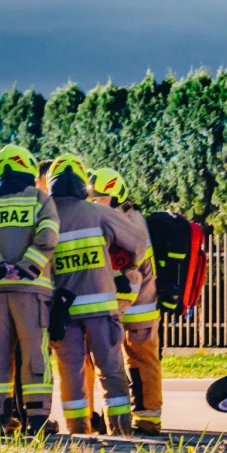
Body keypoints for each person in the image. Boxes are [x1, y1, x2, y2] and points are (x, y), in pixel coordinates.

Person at [45, 154, 147, 435]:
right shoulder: (98, 213)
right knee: (111, 370)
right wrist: (120, 262)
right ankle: (121, 430)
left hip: (62, 314)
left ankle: (78, 430)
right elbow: (137, 244)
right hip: (102, 309)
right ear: (82, 184)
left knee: (71, 374)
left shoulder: (45, 216)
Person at [0, 144, 60, 436]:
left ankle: (0, 420)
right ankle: (38, 420)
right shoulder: (39, 199)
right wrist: (26, 267)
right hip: (31, 291)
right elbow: (48, 235)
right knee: (34, 354)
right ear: (28, 169)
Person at [87, 168, 163, 436]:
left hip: (131, 302)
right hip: (144, 302)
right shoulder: (131, 216)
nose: (96, 204)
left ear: (116, 196)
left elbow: (128, 274)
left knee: (134, 359)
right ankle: (146, 417)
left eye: (100, 199)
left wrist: (110, 312)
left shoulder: (121, 222)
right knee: (140, 360)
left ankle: (145, 418)